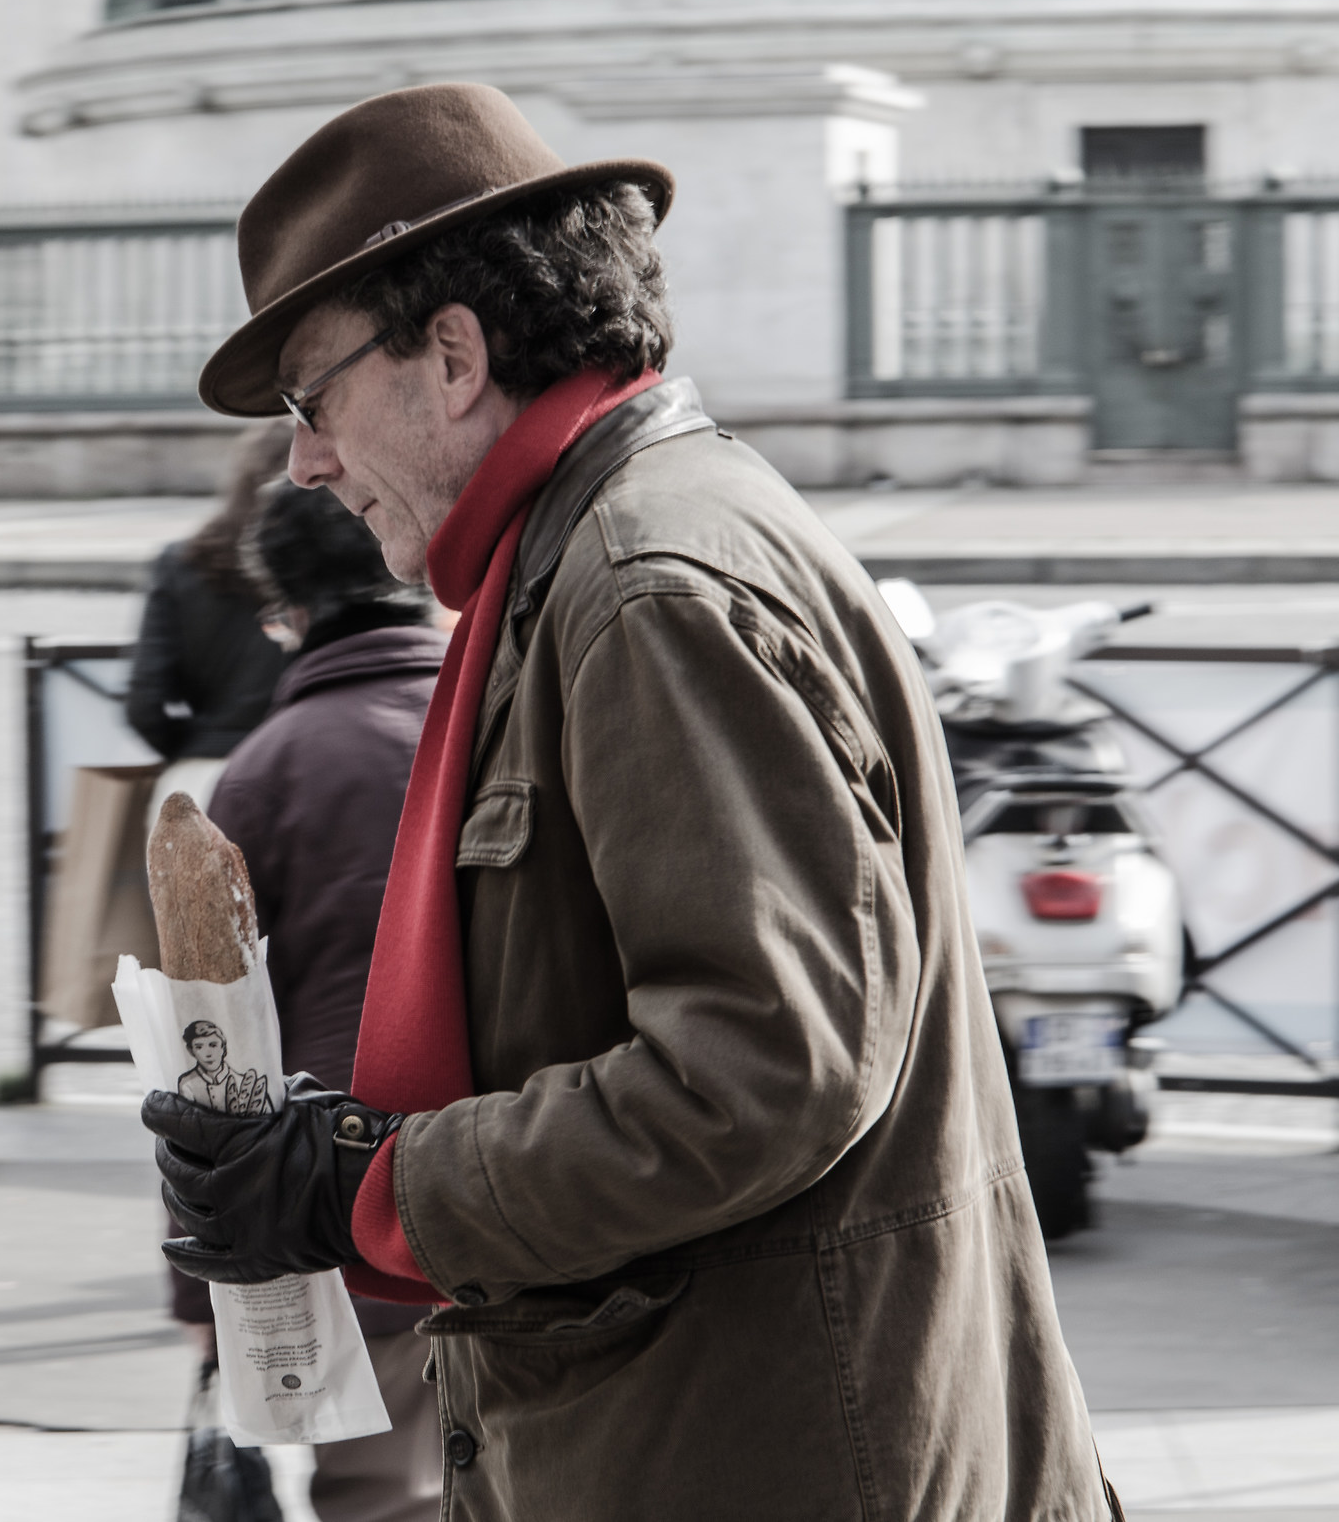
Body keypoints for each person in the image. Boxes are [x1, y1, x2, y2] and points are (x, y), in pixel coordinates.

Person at [141, 83, 1116, 1518]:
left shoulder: (647, 587)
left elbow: (761, 1073)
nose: (305, 461)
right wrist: (346, 1152)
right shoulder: (600, 551)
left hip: (765, 1456)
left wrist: (372, 1184)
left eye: (312, 396)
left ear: (452, 355)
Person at [204, 479, 448, 1522]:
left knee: (381, 1494)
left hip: (356, 1212)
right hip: (542, 1190)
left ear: (291, 611)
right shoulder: (507, 711)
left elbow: (210, 1057)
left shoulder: (266, 771)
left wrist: (199, 1280)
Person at [124, 423, 292, 822]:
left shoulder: (181, 564)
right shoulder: (319, 567)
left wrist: (199, 744)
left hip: (201, 782)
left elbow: (144, 702)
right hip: (295, 774)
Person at [173, 1020, 272, 1115]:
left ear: (223, 1048)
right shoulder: (187, 1084)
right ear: (191, 1051)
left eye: (213, 1045)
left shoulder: (243, 1083)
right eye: (199, 1047)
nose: (208, 1054)